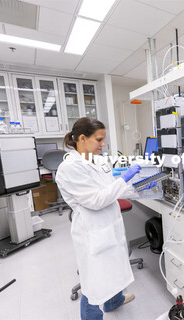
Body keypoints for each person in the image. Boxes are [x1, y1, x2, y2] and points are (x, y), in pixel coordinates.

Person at [56, 117, 155, 320]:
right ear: (82, 138)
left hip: (110, 221)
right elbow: (96, 200)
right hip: (92, 228)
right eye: (99, 139)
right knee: (94, 279)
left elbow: (111, 190)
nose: (103, 144)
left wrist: (139, 187)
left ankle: (114, 301)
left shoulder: (99, 160)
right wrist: (125, 179)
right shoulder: (70, 168)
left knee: (115, 266)